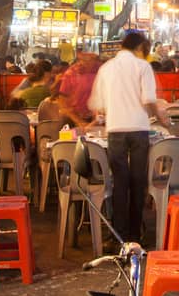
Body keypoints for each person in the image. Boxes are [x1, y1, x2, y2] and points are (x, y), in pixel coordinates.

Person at [89, 30, 162, 244]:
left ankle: (119, 234)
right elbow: (149, 99)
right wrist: (161, 117)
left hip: (115, 129)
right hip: (139, 128)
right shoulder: (143, 67)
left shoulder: (106, 68)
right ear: (139, 48)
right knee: (138, 181)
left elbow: (98, 104)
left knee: (120, 182)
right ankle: (135, 233)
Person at [56, 52, 99, 127]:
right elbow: (63, 101)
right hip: (73, 119)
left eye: (91, 60)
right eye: (83, 60)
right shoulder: (70, 74)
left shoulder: (100, 71)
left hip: (96, 119)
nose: (86, 63)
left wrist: (96, 119)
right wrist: (79, 121)